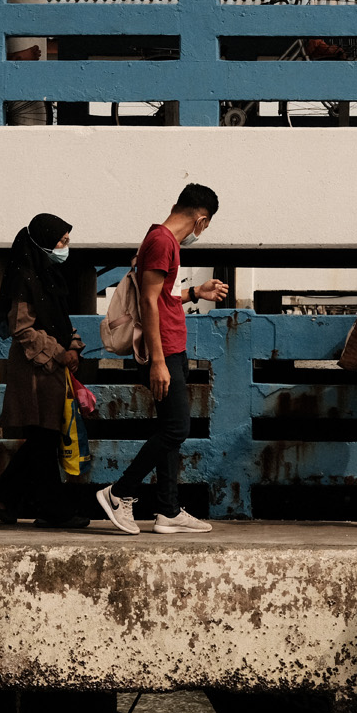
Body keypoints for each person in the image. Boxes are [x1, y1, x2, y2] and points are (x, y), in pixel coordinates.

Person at [96, 184, 228, 534]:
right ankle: (118, 493)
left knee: (169, 429)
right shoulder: (161, 242)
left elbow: (165, 296)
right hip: (163, 351)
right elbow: (147, 304)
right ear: (202, 221)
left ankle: (167, 510)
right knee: (177, 428)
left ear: (176, 205)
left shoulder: (162, 242)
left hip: (172, 348)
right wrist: (157, 361)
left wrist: (196, 292)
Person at [0, 213, 90, 528]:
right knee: (43, 439)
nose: (65, 247)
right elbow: (22, 328)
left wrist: (73, 348)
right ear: (43, 240)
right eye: (61, 241)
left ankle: (4, 495)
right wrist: (60, 353)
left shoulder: (49, 276)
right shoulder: (24, 277)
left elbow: (61, 323)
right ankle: (53, 511)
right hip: (34, 372)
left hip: (51, 372)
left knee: (44, 439)